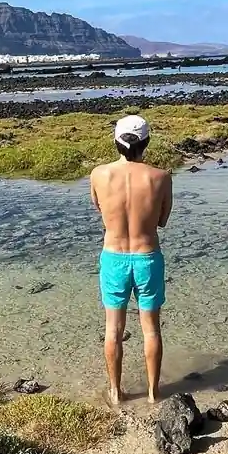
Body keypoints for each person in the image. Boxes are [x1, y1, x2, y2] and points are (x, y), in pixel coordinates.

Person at [89, 114, 173, 405]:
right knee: (151, 329)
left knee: (113, 329)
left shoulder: (99, 175)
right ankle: (153, 392)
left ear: (116, 141)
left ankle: (115, 391)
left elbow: (99, 208)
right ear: (146, 142)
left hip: (114, 257)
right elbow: (162, 221)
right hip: (147, 256)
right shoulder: (160, 177)